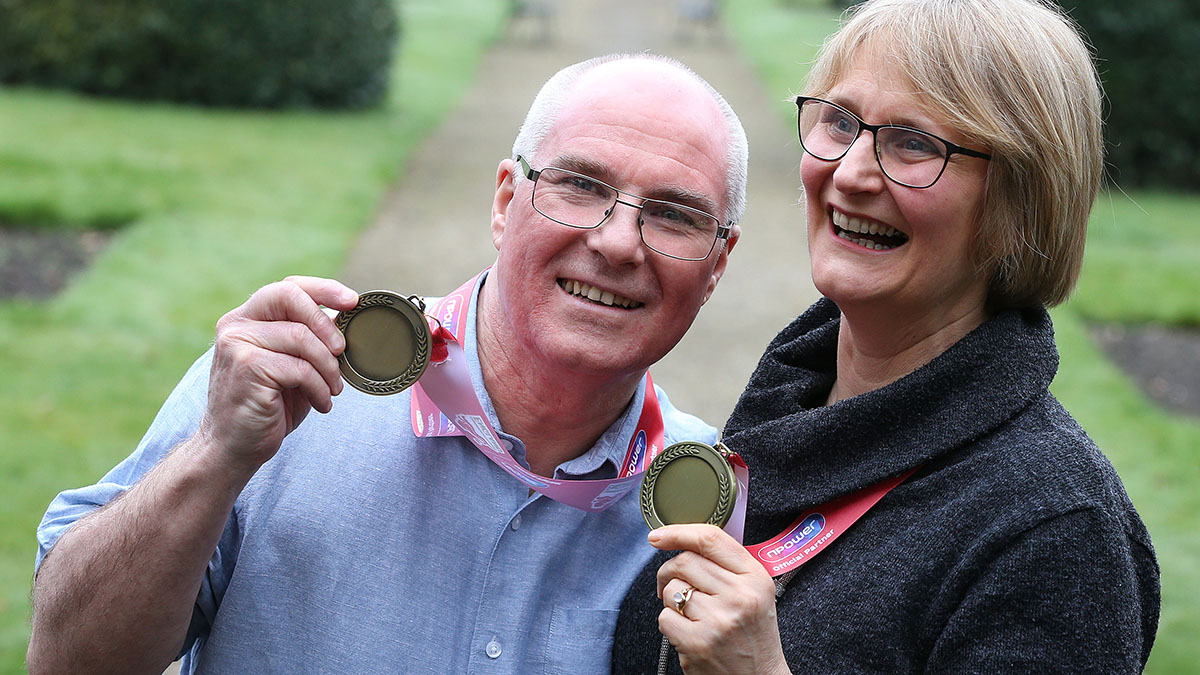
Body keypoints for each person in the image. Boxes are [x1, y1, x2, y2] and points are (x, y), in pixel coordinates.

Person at [27, 53, 747, 674]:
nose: (620, 243)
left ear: (718, 267)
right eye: (581, 185)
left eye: (674, 215)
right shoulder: (289, 383)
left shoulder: (710, 518)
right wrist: (214, 455)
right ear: (504, 201)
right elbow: (64, 657)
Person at [613, 0, 1160, 672]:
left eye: (915, 143)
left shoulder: (1054, 526)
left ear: (1022, 199)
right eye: (841, 122)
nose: (850, 173)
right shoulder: (792, 416)